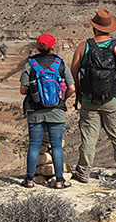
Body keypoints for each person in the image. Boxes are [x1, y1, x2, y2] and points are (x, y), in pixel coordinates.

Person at [70, 9, 116, 182]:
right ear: (110, 28)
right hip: (112, 99)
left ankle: (83, 172)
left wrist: (79, 92)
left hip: (89, 99)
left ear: (94, 27)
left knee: (89, 138)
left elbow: (73, 70)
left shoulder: (84, 46)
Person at [20, 33, 76, 188]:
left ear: (37, 47)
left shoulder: (30, 64)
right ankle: (59, 180)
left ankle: (29, 180)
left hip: (35, 110)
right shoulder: (60, 63)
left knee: (34, 145)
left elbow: (23, 90)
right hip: (57, 110)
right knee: (57, 145)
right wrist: (61, 99)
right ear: (52, 46)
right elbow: (72, 88)